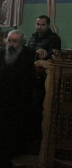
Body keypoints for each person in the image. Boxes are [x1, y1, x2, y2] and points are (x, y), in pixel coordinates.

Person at [0, 29, 35, 168]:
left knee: (13, 134)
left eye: (15, 41)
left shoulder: (28, 55)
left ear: (22, 42)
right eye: (9, 41)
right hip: (0, 100)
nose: (11, 44)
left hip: (18, 102)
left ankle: (8, 159)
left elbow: (30, 81)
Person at [27, 15, 61, 149]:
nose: (39, 27)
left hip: (44, 80)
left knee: (39, 111)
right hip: (31, 78)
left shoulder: (54, 38)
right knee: (30, 110)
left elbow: (55, 56)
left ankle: (39, 143)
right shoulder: (33, 37)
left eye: (42, 25)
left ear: (48, 25)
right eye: (37, 24)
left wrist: (46, 54)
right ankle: (29, 140)